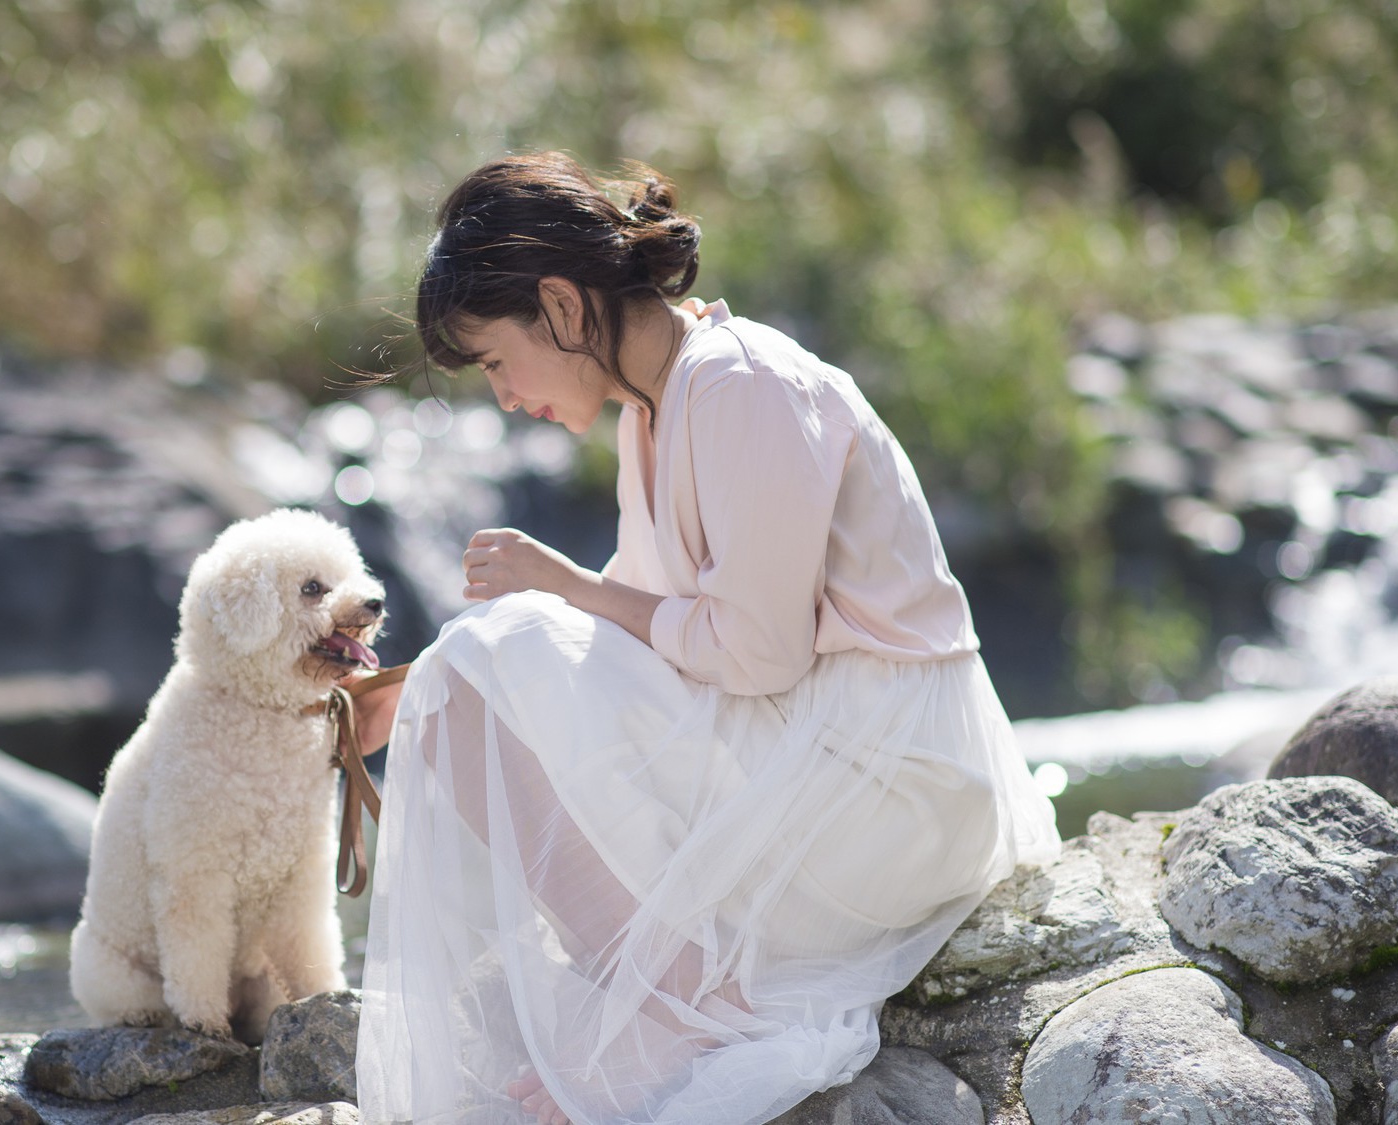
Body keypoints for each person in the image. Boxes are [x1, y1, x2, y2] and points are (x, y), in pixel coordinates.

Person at [347, 151, 1061, 1125]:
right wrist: (431, 681)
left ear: (560, 306)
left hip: (894, 789)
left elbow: (755, 654)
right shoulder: (653, 408)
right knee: (461, 674)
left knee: (484, 655)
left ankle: (675, 1002)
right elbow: (655, 657)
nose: (503, 395)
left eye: (494, 361)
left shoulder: (741, 385)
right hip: (814, 752)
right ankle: (664, 986)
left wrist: (565, 591)